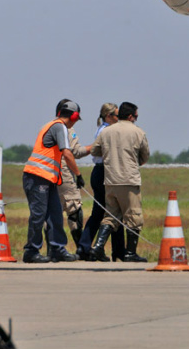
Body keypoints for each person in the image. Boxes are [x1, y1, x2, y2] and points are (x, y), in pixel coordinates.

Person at [21, 101, 85, 263]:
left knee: (55, 215)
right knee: (38, 215)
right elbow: (67, 153)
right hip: (37, 177)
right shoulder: (59, 127)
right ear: (73, 116)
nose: (76, 122)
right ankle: (31, 251)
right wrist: (78, 175)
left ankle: (57, 249)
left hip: (48, 179)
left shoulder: (54, 125)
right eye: (77, 118)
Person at [89, 102, 150, 262]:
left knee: (110, 215)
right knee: (133, 216)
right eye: (136, 116)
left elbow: (95, 151)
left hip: (110, 180)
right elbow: (145, 156)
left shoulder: (106, 131)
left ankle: (98, 247)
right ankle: (130, 253)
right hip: (128, 180)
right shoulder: (138, 132)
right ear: (130, 116)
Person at [76, 103, 127, 261]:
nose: (119, 119)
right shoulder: (107, 131)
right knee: (110, 211)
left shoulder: (103, 129)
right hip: (104, 171)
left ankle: (93, 248)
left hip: (101, 171)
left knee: (109, 212)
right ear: (108, 116)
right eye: (117, 116)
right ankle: (89, 248)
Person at [53, 99, 91, 254]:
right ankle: (81, 249)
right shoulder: (66, 129)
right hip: (64, 172)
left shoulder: (49, 126)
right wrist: (96, 146)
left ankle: (53, 248)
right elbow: (74, 152)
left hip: (50, 172)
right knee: (74, 208)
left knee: (53, 211)